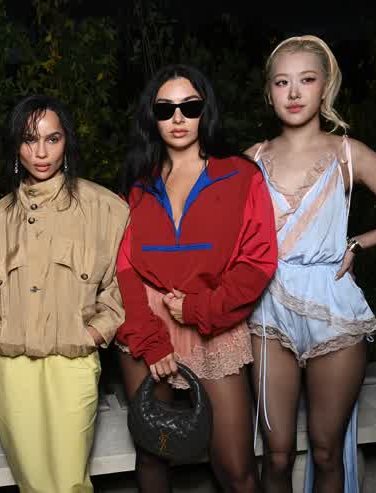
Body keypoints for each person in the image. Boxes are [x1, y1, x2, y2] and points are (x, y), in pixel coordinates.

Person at [116, 64, 277, 493]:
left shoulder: (241, 175)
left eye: (189, 106)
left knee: (237, 468)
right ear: (152, 117)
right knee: (153, 454)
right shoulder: (137, 183)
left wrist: (199, 308)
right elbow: (123, 265)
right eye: (165, 109)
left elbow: (258, 261)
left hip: (212, 319)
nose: (178, 118)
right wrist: (148, 336)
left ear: (205, 110)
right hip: (147, 320)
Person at [246, 35, 376, 492]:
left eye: (306, 80)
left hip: (333, 308)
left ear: (325, 87)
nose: (293, 92)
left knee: (327, 451)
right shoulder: (252, 159)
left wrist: (360, 243)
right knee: (277, 455)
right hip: (268, 311)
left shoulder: (348, 153)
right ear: (269, 92)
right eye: (281, 82)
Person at [0, 94, 129, 493]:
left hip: (72, 361)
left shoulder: (106, 208)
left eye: (52, 139)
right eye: (29, 140)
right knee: (31, 482)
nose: (41, 153)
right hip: (13, 365)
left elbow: (122, 286)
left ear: (67, 142)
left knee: (69, 481)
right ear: (16, 146)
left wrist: (93, 332)